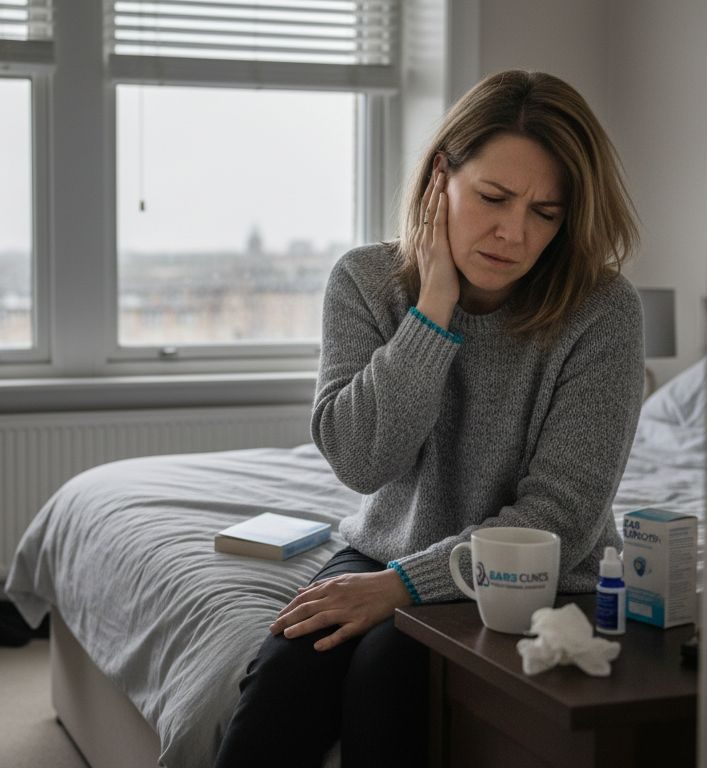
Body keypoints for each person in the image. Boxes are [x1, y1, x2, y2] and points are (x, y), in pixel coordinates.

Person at [213, 70, 645, 767]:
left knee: (388, 674)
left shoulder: (603, 311)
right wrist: (433, 309)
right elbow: (360, 462)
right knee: (281, 684)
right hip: (385, 548)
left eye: (547, 212)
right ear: (441, 174)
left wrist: (401, 588)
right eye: (494, 197)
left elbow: (559, 518)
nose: (514, 232)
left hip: (534, 577)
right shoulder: (363, 280)